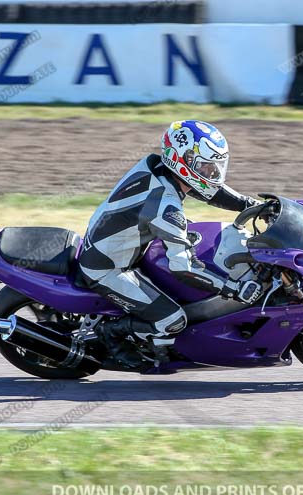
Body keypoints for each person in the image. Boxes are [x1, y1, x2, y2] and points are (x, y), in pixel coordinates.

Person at [77, 120, 263, 368]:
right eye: (206, 167)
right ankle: (112, 334)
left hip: (129, 242)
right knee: (173, 320)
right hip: (109, 267)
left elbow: (210, 190)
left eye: (216, 166)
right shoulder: (165, 206)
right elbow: (184, 268)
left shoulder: (159, 166)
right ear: (181, 161)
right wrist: (233, 289)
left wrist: (252, 205)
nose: (213, 174)